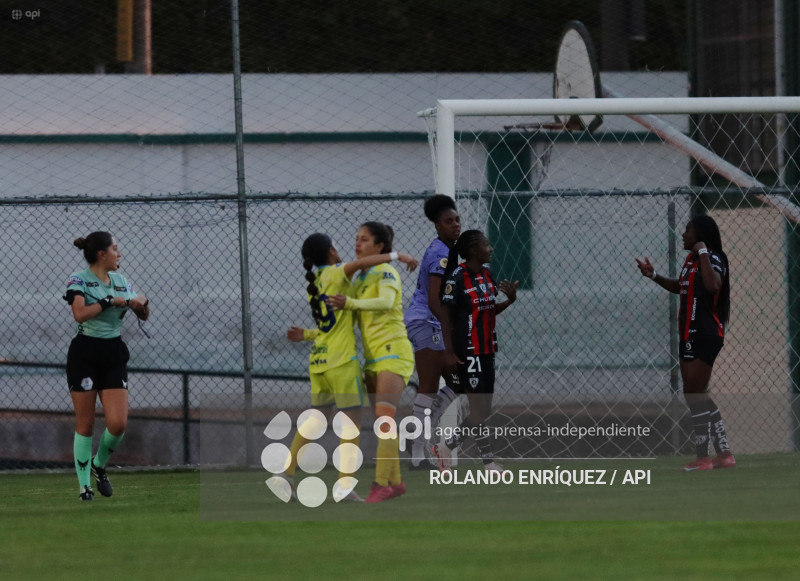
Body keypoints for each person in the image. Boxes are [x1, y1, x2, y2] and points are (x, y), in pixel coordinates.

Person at [286, 233, 418, 503]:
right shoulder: (337, 273)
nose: (356, 246)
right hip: (341, 362)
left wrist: (306, 335)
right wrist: (397, 255)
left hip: (319, 360)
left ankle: (285, 473)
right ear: (332, 252)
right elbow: (360, 265)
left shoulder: (317, 282)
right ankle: (345, 487)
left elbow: (329, 328)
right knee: (351, 426)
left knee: (316, 419)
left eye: (363, 239)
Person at [326, 222, 417, 502]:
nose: (358, 243)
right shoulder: (359, 279)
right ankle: (396, 483)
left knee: (385, 419)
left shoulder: (386, 271)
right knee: (382, 419)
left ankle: (380, 485)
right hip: (372, 359)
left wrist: (350, 304)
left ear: (380, 247)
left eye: (364, 239)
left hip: (394, 352)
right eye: (356, 238)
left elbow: (387, 301)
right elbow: (343, 314)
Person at [636, 214, 735, 471]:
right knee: (695, 393)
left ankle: (703, 457)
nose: (683, 234)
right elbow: (682, 287)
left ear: (700, 235)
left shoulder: (713, 257)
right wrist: (654, 275)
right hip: (688, 333)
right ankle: (724, 454)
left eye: (688, 230)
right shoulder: (691, 260)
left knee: (694, 394)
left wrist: (702, 251)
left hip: (706, 333)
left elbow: (713, 285)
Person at [63, 231, 150, 501]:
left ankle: (99, 464)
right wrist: (108, 301)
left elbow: (143, 314)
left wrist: (140, 304)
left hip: (113, 354)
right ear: (102, 254)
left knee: (118, 423)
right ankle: (84, 486)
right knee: (86, 424)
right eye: (115, 249)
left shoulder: (121, 280)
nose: (119, 254)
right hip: (85, 354)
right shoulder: (79, 280)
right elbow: (79, 312)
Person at [429, 230, 518, 474]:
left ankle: (447, 447)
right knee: (479, 409)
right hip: (468, 350)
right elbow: (445, 317)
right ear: (472, 251)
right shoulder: (456, 278)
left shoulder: (488, 275)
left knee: (483, 409)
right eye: (486, 245)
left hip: (488, 348)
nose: (490, 249)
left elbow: (487, 311)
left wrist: (509, 301)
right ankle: (487, 462)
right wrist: (448, 352)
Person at [403, 195, 462, 469]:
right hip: (425, 320)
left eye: (457, 220)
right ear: (437, 226)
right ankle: (417, 454)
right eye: (448, 221)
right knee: (428, 385)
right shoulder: (439, 253)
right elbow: (433, 299)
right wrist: (450, 329)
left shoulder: (450, 252)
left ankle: (422, 432)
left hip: (433, 321)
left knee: (459, 379)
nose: (455, 225)